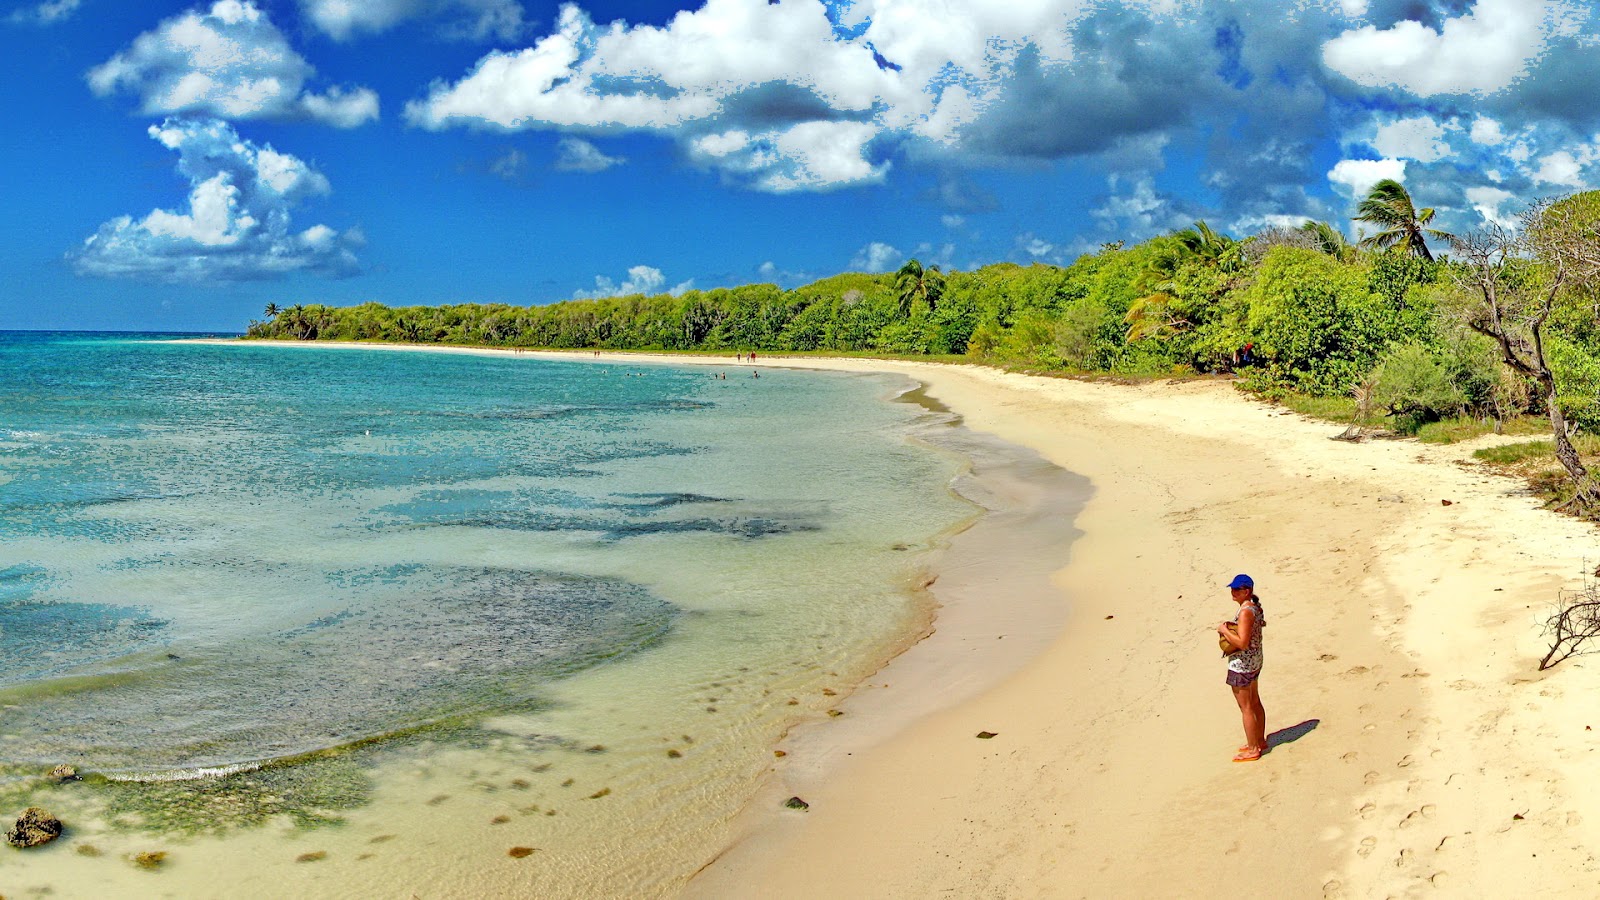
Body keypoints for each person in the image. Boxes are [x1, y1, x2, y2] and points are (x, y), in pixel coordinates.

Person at [1216, 573, 1266, 762]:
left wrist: (1224, 630)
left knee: (1246, 707)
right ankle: (1259, 740)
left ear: (1247, 591)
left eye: (1237, 589)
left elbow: (1242, 642)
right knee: (1254, 702)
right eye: (1232, 588)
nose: (1233, 592)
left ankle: (1253, 748)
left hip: (1243, 665)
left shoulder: (1246, 612)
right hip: (1255, 661)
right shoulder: (1254, 607)